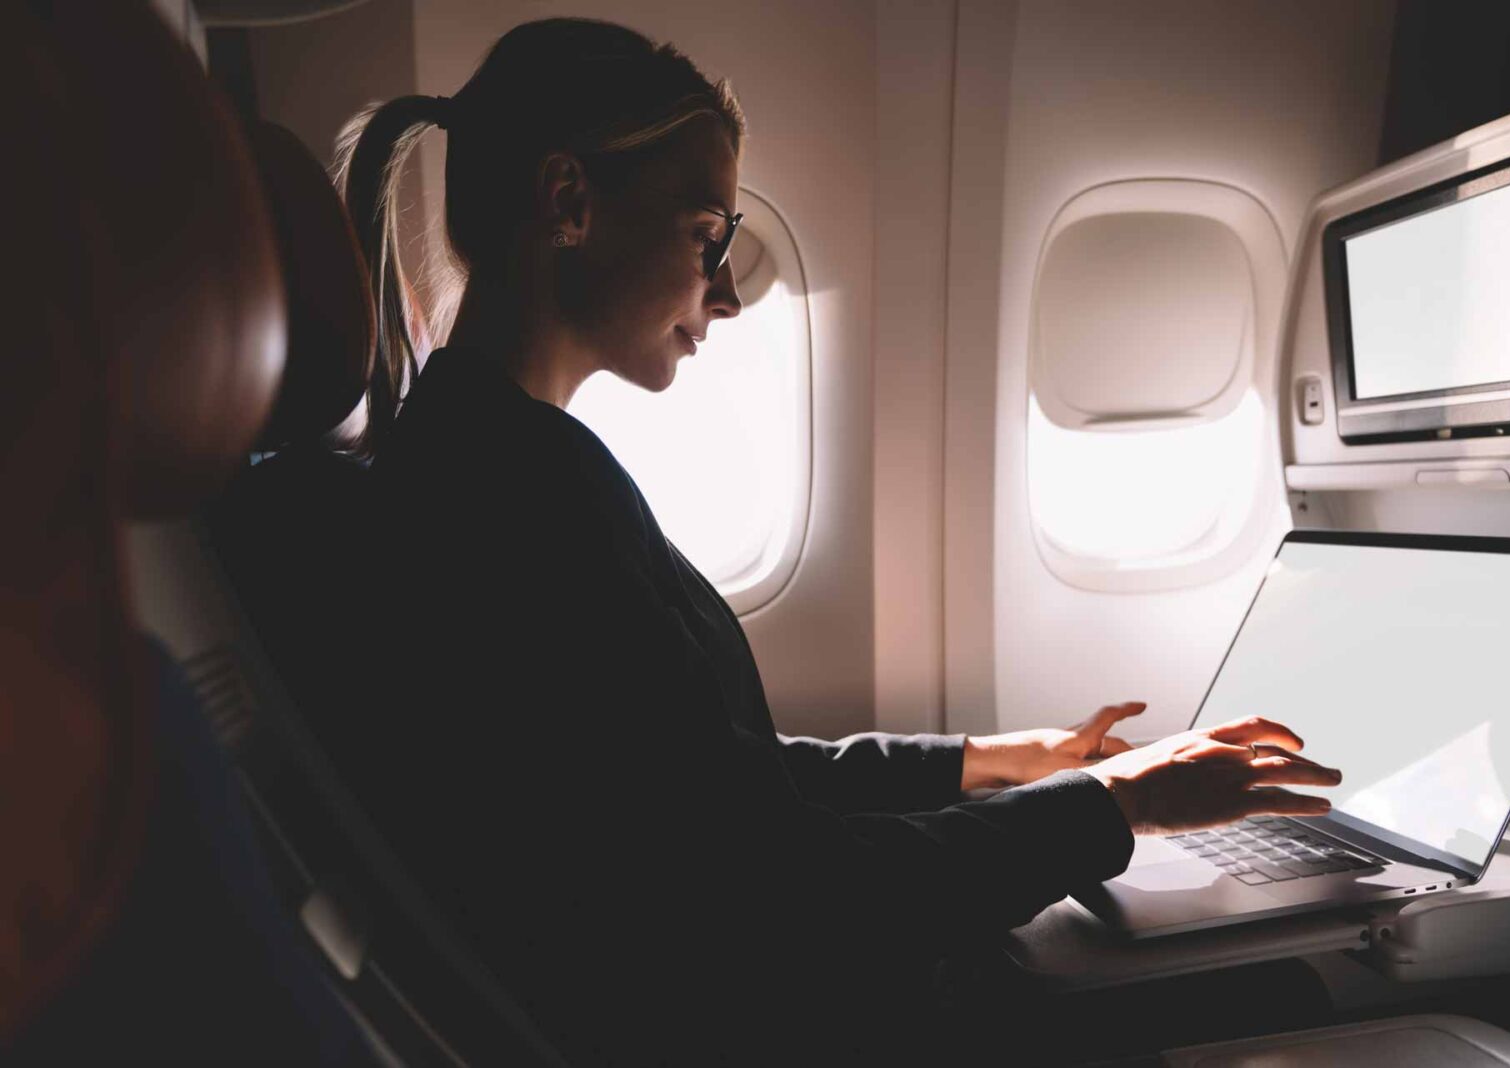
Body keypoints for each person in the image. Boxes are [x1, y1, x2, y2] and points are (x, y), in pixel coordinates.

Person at [332, 17, 1341, 1066]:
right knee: (1288, 1002)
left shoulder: (498, 459)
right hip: (744, 1019)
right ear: (568, 202)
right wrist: (1116, 806)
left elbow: (711, 792)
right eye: (705, 234)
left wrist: (986, 762)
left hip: (734, 984)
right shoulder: (514, 506)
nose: (723, 291)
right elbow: (781, 890)